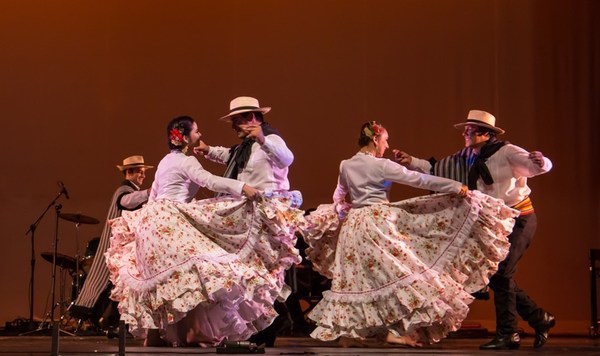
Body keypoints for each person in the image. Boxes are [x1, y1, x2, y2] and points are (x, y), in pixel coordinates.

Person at [300, 121, 517, 347]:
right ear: (375, 139)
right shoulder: (381, 165)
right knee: (395, 275)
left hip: (354, 227)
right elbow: (419, 179)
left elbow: (338, 196)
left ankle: (351, 333)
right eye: (385, 139)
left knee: (359, 280)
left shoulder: (346, 165)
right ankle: (392, 330)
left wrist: (341, 207)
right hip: (377, 224)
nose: (387, 144)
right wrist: (455, 186)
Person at [105, 115, 299, 348]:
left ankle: (159, 334)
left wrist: (150, 222)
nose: (200, 135)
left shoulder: (165, 161)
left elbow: (155, 194)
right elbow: (209, 181)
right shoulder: (187, 162)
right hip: (170, 220)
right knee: (206, 267)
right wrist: (241, 187)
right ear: (185, 138)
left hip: (151, 220)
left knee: (166, 280)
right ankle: (195, 332)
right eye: (196, 132)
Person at [395, 110, 554, 349]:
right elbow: (438, 168)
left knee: (502, 273)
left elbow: (537, 166)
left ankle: (509, 333)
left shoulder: (507, 151)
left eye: (469, 131)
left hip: (520, 219)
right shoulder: (467, 156)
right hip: (493, 223)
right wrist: (411, 161)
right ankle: (539, 318)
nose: (465, 135)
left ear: (485, 133)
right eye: (465, 131)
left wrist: (543, 161)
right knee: (494, 275)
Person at [194, 96, 303, 346]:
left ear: (253, 118)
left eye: (237, 121)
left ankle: (275, 320)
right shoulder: (245, 146)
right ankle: (265, 323)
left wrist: (263, 139)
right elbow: (230, 156)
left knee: (265, 271)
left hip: (267, 213)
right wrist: (208, 150)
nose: (234, 126)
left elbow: (287, 158)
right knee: (252, 271)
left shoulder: (271, 139)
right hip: (250, 212)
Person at [68, 155, 154, 333]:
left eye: (144, 172)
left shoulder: (130, 190)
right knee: (112, 282)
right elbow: (126, 202)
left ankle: (111, 320)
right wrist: (148, 192)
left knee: (122, 283)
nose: (143, 176)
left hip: (124, 246)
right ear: (129, 172)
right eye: (140, 172)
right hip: (117, 247)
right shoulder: (124, 190)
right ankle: (106, 319)